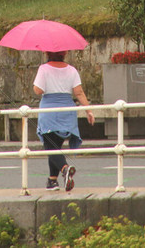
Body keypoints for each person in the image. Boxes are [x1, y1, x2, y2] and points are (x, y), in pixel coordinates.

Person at [33, 51, 95, 191]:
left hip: (49, 110)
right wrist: (88, 110)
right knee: (55, 146)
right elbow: (79, 92)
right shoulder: (71, 70)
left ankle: (65, 169)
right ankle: (52, 181)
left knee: (50, 146)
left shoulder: (44, 69)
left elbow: (38, 90)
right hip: (67, 110)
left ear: (47, 52)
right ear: (65, 53)